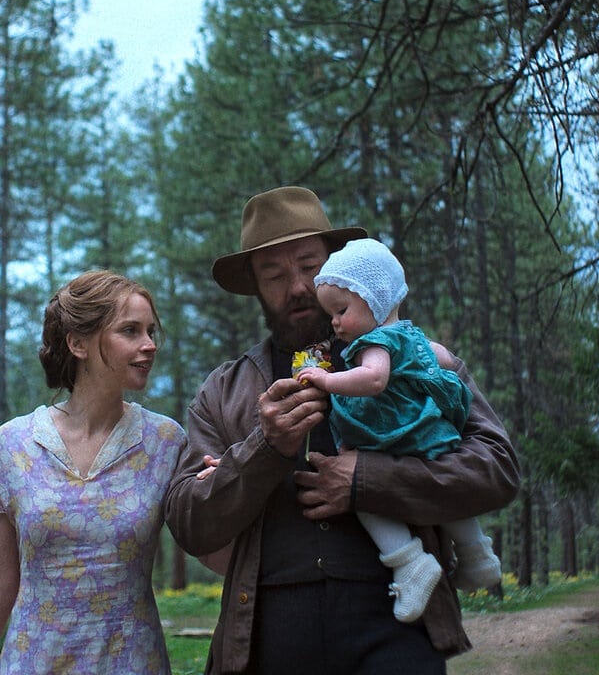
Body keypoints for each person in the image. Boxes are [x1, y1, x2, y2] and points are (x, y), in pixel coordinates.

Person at [164, 186, 520, 675]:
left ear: (336, 266)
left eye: (309, 266)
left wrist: (366, 481)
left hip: (398, 632)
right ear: (255, 286)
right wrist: (264, 447)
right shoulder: (224, 391)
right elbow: (189, 523)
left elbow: (497, 469)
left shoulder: (413, 356)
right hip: (266, 641)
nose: (297, 287)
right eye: (274, 275)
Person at [0, 270, 187, 675]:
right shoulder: (15, 443)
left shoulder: (166, 441)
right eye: (130, 330)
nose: (149, 344)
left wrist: (241, 474)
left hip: (131, 664)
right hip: (31, 663)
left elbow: (214, 547)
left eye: (151, 331)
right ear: (78, 343)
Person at [295, 238, 503, 623]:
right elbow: (443, 360)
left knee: (362, 492)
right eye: (331, 314)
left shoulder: (373, 344)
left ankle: (408, 562)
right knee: (446, 496)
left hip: (390, 435)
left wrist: (325, 380)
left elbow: (374, 380)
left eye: (341, 311)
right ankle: (476, 555)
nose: (335, 322)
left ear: (374, 301)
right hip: (429, 432)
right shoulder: (412, 335)